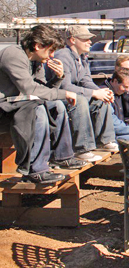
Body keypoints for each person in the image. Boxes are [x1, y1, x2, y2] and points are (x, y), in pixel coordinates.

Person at [0, 25, 86, 184]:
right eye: (50, 50)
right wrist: (65, 93)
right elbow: (30, 89)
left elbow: (43, 91)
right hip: (3, 108)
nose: (52, 55)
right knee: (37, 110)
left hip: (17, 106)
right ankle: (35, 169)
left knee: (57, 105)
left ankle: (63, 156)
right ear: (38, 45)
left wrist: (58, 78)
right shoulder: (13, 55)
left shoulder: (36, 60)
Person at [50, 25, 117, 162]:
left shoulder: (82, 58)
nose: (90, 42)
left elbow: (86, 80)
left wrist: (101, 92)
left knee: (100, 99)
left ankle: (105, 140)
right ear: (73, 40)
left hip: (71, 95)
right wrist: (93, 93)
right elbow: (65, 86)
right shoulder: (63, 56)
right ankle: (83, 149)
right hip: (56, 96)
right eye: (85, 39)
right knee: (80, 100)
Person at [103, 68, 129, 142]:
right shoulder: (104, 94)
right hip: (111, 135)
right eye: (125, 86)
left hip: (123, 130)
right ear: (115, 81)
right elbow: (113, 123)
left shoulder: (123, 92)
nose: (127, 90)